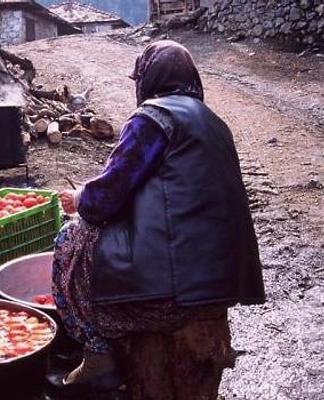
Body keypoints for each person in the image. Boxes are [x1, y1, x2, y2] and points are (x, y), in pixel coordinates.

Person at [53, 40, 266, 395]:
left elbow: (107, 197)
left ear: (149, 79)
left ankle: (97, 347)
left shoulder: (153, 117)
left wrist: (78, 198)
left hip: (170, 296)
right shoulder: (214, 123)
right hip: (221, 289)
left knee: (71, 236)